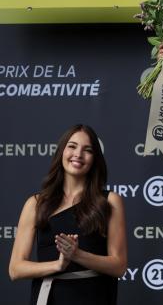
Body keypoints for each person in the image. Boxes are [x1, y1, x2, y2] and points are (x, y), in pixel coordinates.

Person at [9, 124, 127, 305]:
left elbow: (119, 266)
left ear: (95, 159)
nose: (78, 155)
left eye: (87, 150)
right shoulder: (35, 203)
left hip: (95, 297)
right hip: (49, 298)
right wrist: (57, 265)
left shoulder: (110, 201)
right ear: (61, 152)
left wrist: (77, 254)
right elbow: (16, 269)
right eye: (72, 146)